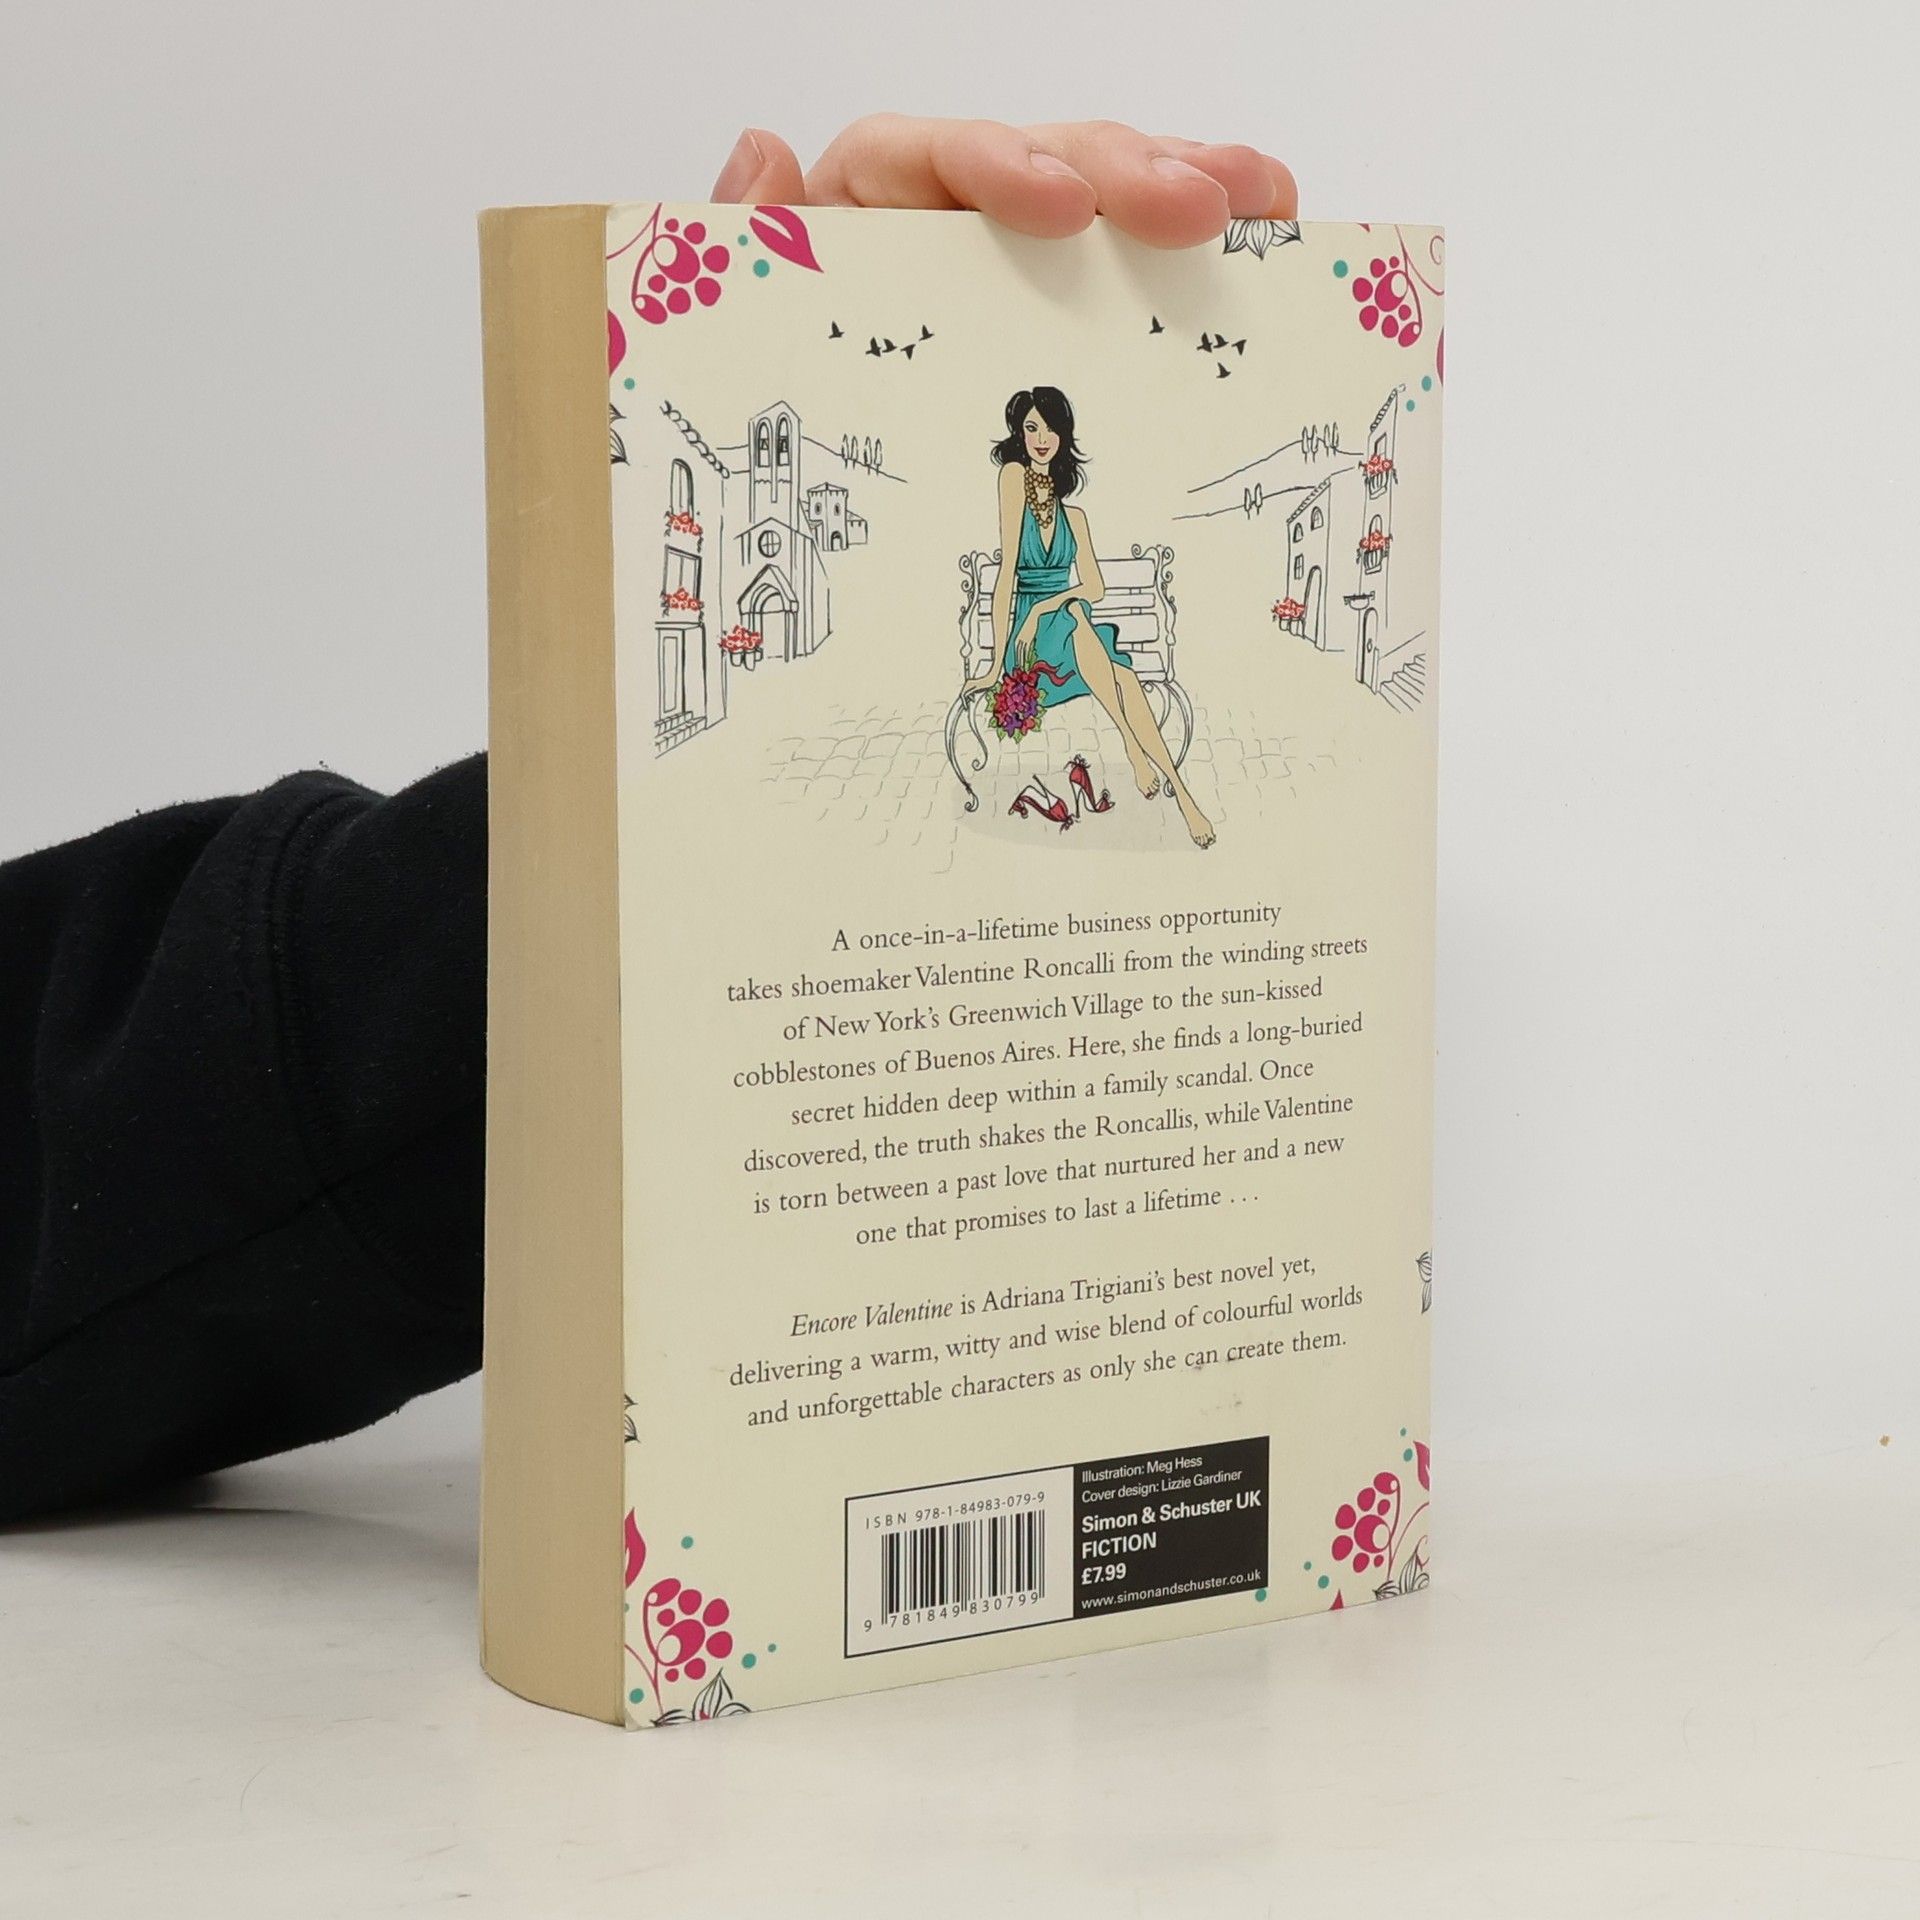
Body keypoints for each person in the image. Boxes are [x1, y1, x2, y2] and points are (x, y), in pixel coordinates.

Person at [0, 117, 1297, 1527]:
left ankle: (1169, 794)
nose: (1040, 440)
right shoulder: (999, 492)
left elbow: (113, 1099)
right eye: (1030, 426)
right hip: (984, 669)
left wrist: (646, 838)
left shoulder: (1067, 505)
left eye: (1051, 429)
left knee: (1118, 700)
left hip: (399, 1016)